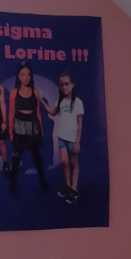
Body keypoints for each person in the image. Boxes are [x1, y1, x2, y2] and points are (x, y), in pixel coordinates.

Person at [7, 64, 49, 193]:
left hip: (33, 127)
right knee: (16, 156)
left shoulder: (36, 93)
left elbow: (38, 113)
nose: (26, 77)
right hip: (19, 127)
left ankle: (42, 179)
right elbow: (11, 113)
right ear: (18, 77)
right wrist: (10, 131)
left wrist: (41, 130)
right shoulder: (14, 93)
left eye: (28, 74)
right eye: (23, 74)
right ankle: (13, 183)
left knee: (37, 155)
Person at [52, 73, 84, 204]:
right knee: (64, 162)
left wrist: (77, 142)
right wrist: (41, 101)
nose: (64, 87)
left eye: (67, 84)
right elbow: (52, 111)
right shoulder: (60, 101)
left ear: (72, 85)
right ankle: (67, 185)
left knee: (73, 163)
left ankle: (74, 189)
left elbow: (80, 124)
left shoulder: (78, 102)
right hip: (61, 137)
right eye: (62, 85)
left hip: (72, 138)